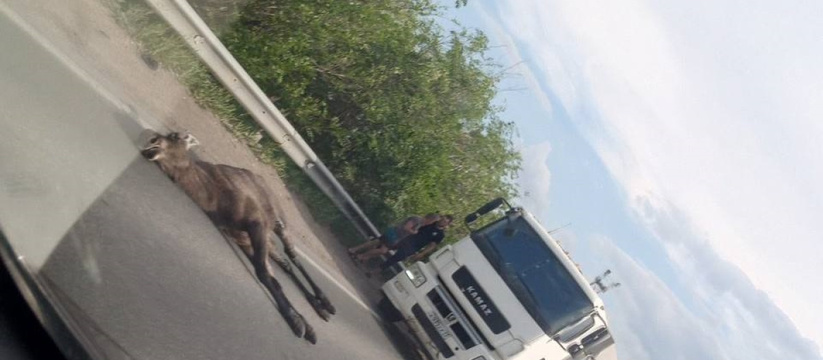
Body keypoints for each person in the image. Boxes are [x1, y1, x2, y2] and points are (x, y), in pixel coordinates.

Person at [367, 214, 453, 276]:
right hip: (406, 238)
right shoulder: (431, 223)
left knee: (394, 259)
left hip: (413, 247)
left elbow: (432, 245)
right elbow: (420, 222)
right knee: (385, 246)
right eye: (442, 219)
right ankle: (366, 257)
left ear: (447, 224)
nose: (442, 221)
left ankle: (374, 271)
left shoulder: (440, 235)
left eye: (445, 222)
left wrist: (422, 253)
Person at [347, 213, 439, 263]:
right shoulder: (417, 220)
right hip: (395, 233)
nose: (431, 224)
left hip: (397, 236)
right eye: (432, 221)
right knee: (381, 249)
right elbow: (406, 227)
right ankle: (360, 255)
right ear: (429, 219)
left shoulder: (420, 223)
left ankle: (356, 252)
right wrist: (414, 232)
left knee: (376, 243)